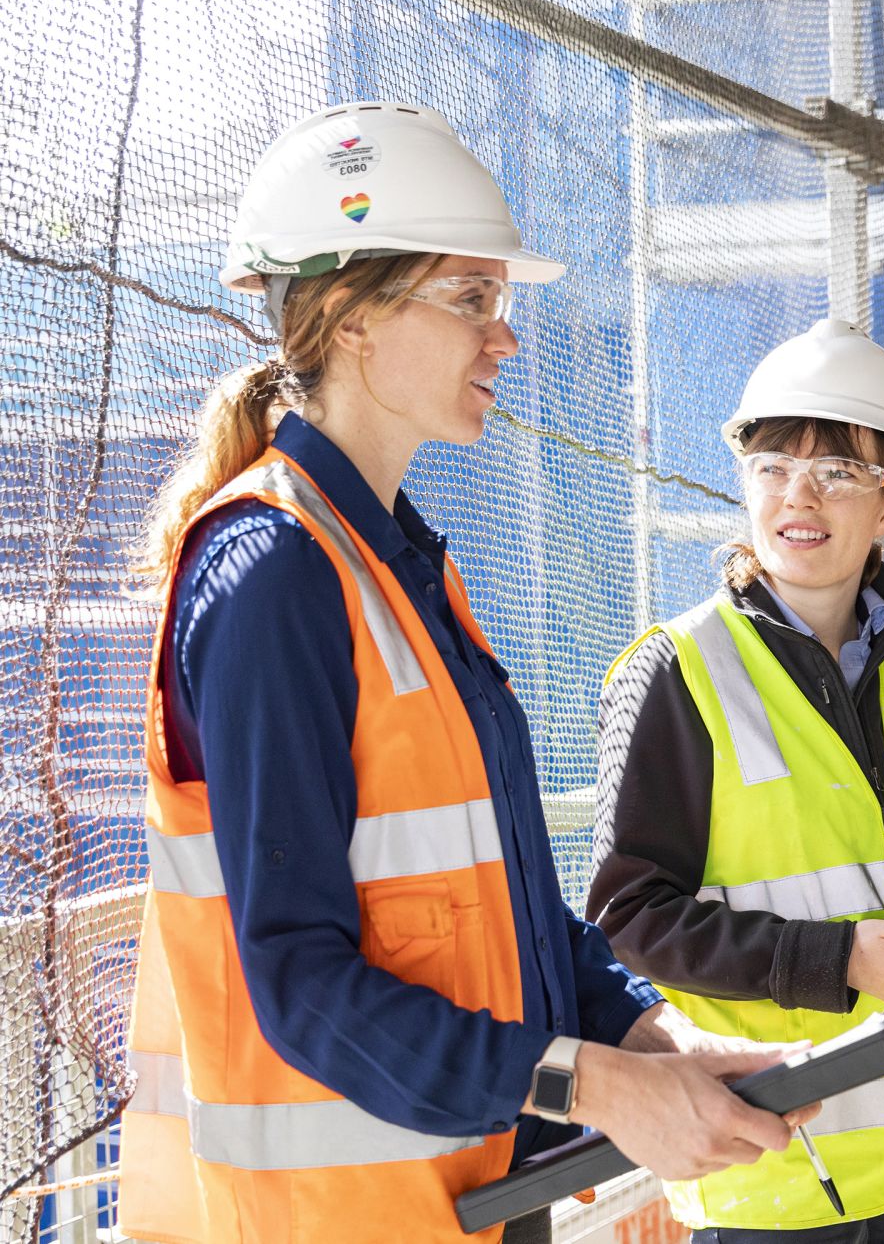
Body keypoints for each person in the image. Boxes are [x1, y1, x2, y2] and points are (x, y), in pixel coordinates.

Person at [120, 102, 809, 1244]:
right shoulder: (272, 575)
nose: (506, 338)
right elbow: (299, 984)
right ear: (351, 318)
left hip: (469, 1189)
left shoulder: (396, 566)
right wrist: (594, 1086)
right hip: (344, 1219)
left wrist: (650, 1038)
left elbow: (506, 906)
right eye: (471, 299)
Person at [589, 318, 884, 1243]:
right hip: (778, 1150)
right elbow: (627, 919)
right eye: (772, 467)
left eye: (837, 471)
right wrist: (835, 960)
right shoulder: (679, 671)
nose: (799, 495)